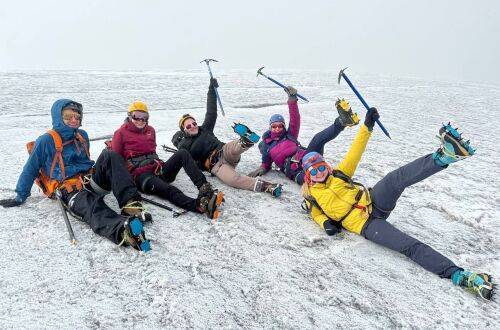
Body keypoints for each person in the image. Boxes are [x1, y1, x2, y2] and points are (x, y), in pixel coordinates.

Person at [300, 107, 494, 300]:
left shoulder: (340, 174)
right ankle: (459, 275)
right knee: (408, 245)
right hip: (367, 225)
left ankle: (444, 157)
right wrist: (325, 223)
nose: (319, 173)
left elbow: (355, 151)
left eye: (321, 167)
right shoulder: (311, 196)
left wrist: (367, 126)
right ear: (308, 176)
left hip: (373, 199)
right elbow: (316, 214)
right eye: (313, 172)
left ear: (326, 166)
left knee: (395, 178)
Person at [0, 99, 151, 252]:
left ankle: (131, 206)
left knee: (110, 155)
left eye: (77, 117)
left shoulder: (81, 136)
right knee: (90, 205)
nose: (74, 120)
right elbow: (30, 169)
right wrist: (19, 196)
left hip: (88, 180)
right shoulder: (46, 141)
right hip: (68, 189)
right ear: (58, 117)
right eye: (68, 116)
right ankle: (123, 230)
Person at [111, 101, 223, 219]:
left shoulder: (150, 130)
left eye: (144, 117)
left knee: (183, 153)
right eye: (136, 116)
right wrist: (127, 187)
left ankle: (205, 188)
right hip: (142, 176)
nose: (140, 120)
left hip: (158, 169)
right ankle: (198, 205)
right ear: (129, 115)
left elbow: (151, 152)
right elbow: (115, 162)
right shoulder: (120, 133)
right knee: (170, 190)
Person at [172, 78, 282, 197]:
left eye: (194, 123)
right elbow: (192, 165)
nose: (193, 126)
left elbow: (211, 112)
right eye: (189, 126)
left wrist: (211, 89)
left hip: (223, 150)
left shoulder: (205, 128)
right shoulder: (184, 149)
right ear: (184, 131)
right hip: (216, 166)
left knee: (234, 148)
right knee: (233, 180)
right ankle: (268, 187)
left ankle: (246, 141)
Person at [248, 86, 359, 185]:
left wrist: (292, 99)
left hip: (308, 156)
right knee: (311, 181)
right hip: (294, 169)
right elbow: (266, 162)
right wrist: (262, 168)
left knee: (318, 139)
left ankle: (342, 122)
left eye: (280, 126)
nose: (277, 128)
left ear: (283, 127)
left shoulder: (289, 135)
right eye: (274, 126)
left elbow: (295, 118)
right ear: (270, 127)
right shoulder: (267, 145)